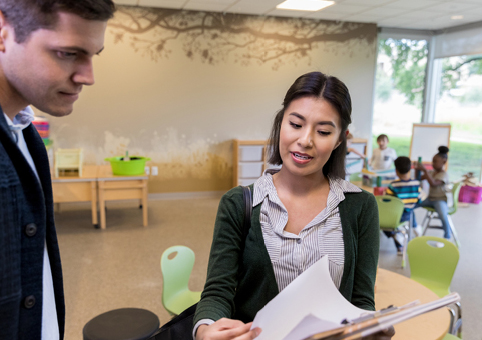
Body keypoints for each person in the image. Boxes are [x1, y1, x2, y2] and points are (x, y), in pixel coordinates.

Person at [193, 72, 393, 340]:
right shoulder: (238, 203)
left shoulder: (360, 206)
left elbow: (361, 300)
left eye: (323, 131)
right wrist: (206, 330)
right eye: (296, 124)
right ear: (281, 123)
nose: (305, 140)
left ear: (340, 139)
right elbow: (218, 292)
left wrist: (369, 328)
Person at [0, 1, 115, 339]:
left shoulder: (26, 134)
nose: (88, 77)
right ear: (3, 31)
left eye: (94, 55)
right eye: (67, 53)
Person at [384, 156, 423, 254]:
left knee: (381, 221)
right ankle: (414, 227)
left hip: (394, 216)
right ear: (410, 169)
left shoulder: (393, 185)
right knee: (410, 210)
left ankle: (397, 239)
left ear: (396, 171)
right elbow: (419, 200)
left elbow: (387, 201)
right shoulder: (416, 183)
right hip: (407, 215)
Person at [415, 146, 451, 240]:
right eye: (432, 161)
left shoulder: (444, 174)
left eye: (435, 161)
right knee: (411, 206)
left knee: (443, 216)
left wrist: (425, 171)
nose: (433, 163)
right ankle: (415, 227)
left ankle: (447, 236)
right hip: (429, 199)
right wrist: (417, 169)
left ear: (443, 162)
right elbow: (418, 178)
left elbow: (434, 184)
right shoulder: (431, 172)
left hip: (439, 200)